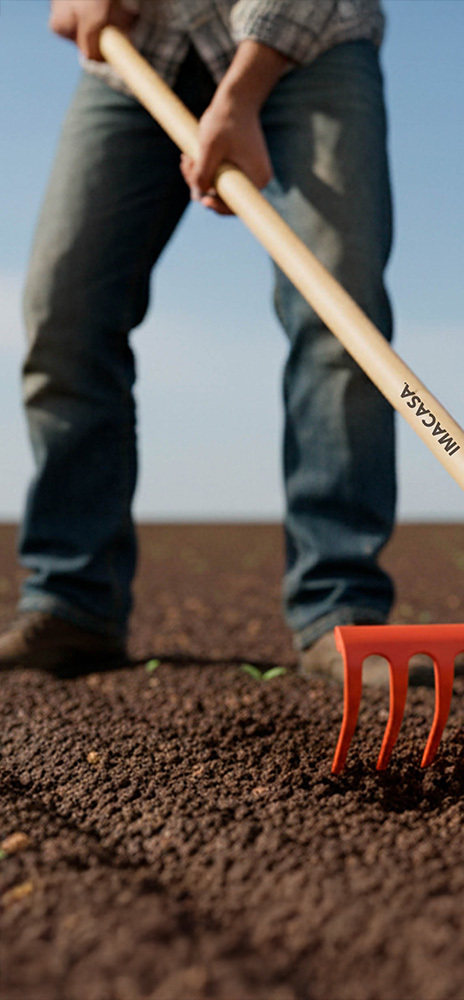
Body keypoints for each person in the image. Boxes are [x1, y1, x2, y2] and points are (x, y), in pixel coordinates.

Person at [0, 0, 396, 678]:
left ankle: (340, 608)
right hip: (139, 51)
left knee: (340, 318)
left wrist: (241, 93)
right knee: (64, 308)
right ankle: (73, 600)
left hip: (308, 43)